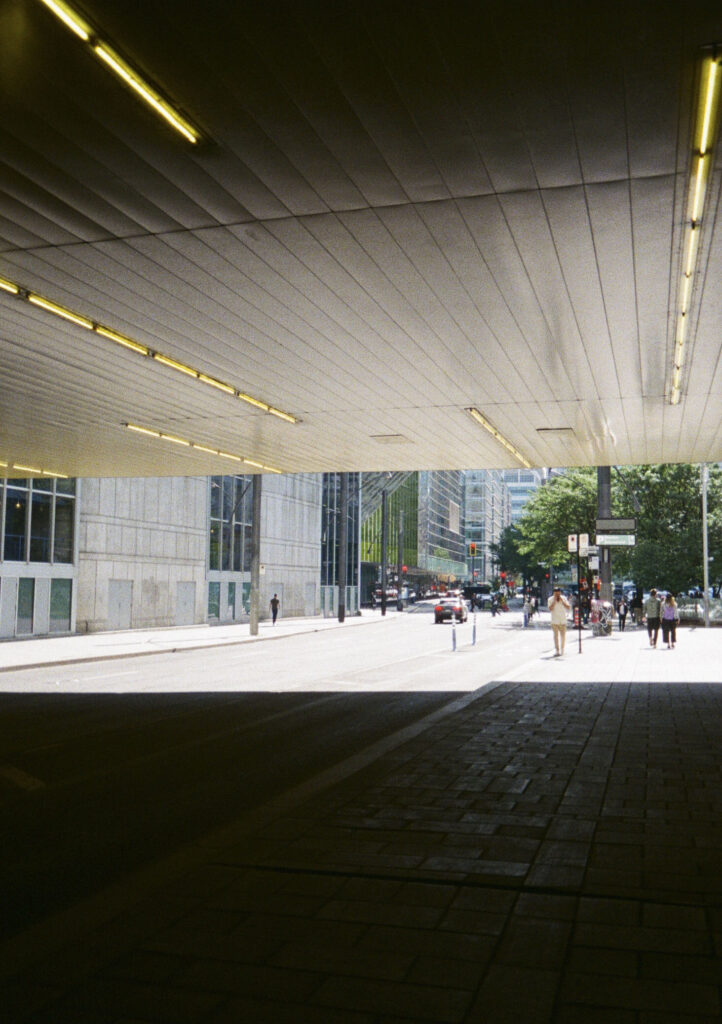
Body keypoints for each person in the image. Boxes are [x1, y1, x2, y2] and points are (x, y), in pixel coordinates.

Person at [548, 587, 571, 656]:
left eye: (558, 593)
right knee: (556, 636)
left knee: (563, 636)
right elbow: (550, 608)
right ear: (554, 593)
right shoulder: (550, 599)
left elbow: (568, 607)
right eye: (556, 593)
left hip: (562, 620)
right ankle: (557, 650)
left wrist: (562, 601)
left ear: (560, 593)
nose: (557, 594)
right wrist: (554, 601)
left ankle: (562, 649)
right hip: (555, 620)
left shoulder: (563, 598)